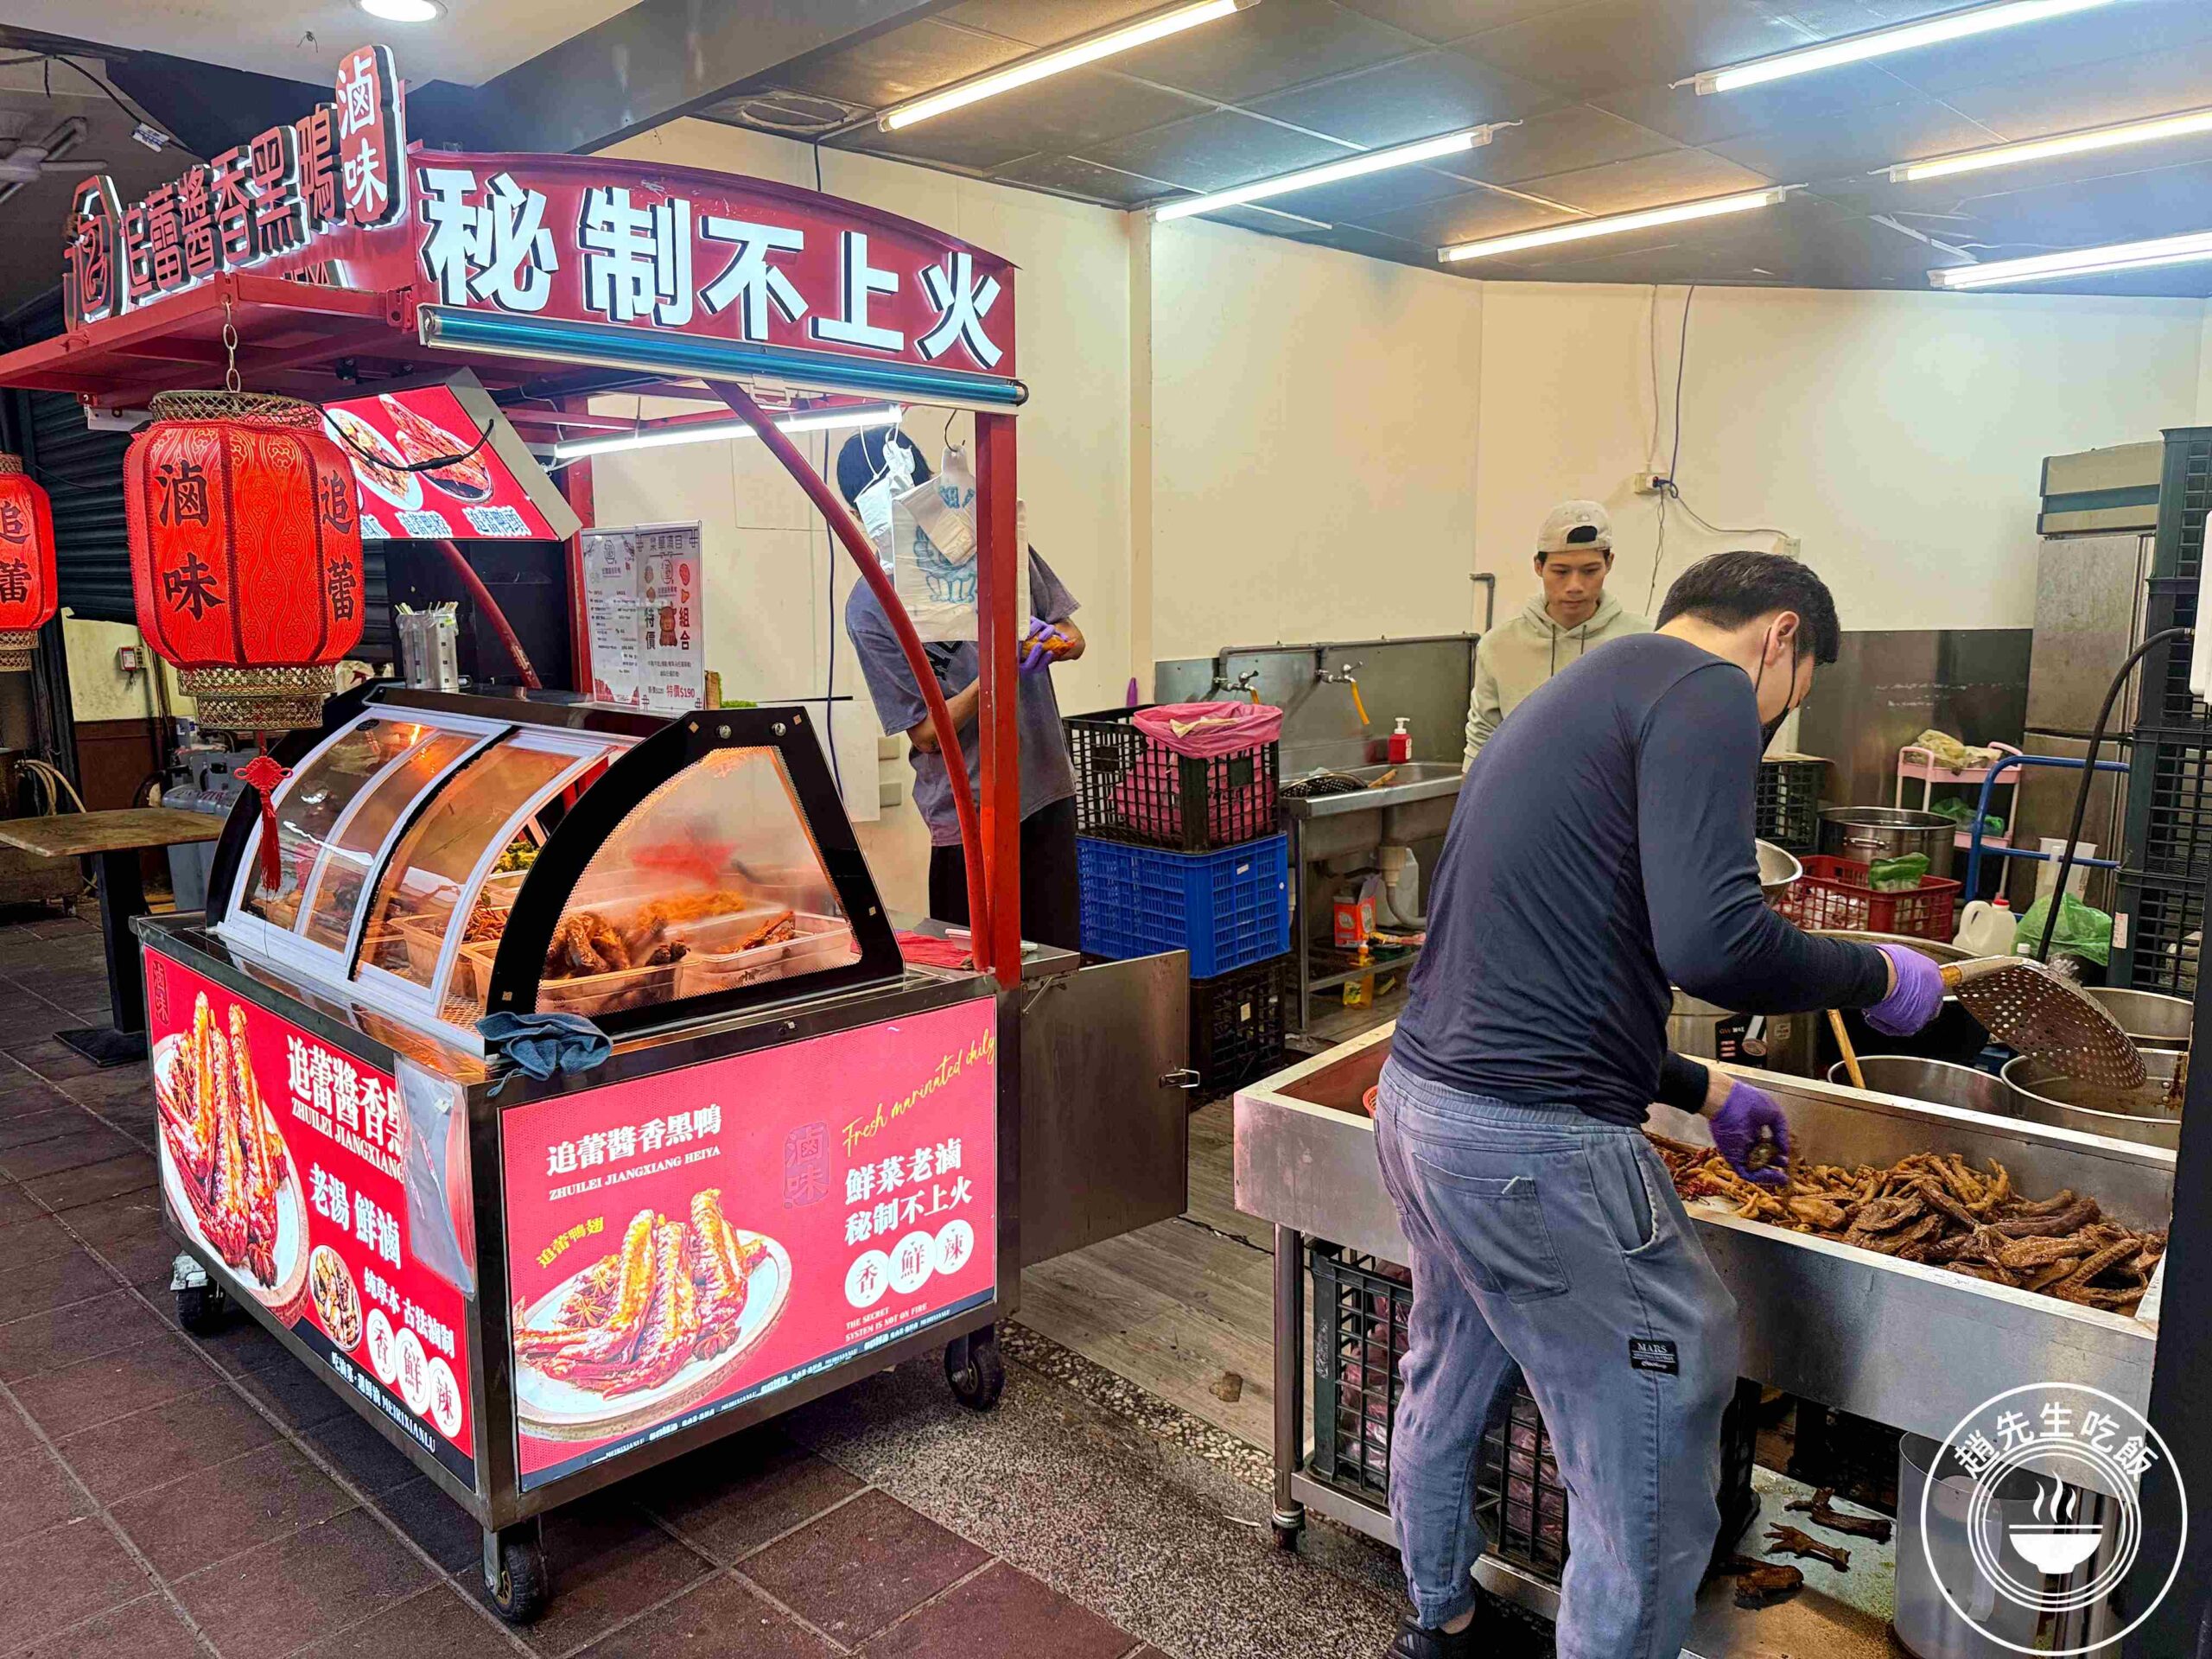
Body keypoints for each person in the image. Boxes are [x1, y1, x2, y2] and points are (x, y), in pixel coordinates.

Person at [1378, 550, 1943, 1659]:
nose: (1774, 720)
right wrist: (1875, 973)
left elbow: (1551, 962)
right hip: (1530, 1147)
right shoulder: (1710, 689)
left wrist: (1699, 1086)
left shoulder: (1578, 693)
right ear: (1781, 637)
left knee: (1450, 1369)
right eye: (1796, 694)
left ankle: (1438, 1619)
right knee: (1660, 1398)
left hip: (1424, 1107)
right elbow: (1715, 943)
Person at [836, 429, 1087, 950]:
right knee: (976, 972)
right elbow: (927, 734)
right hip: (966, 814)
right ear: (858, 518)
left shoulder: (995, 547)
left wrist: (1051, 641)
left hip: (1044, 786)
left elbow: (1073, 634)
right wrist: (995, 672)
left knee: (1054, 963)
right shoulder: (871, 608)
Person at [1463, 499, 1650, 767]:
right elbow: (1482, 736)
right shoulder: (1499, 645)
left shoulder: (1644, 641)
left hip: (1614, 789)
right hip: (1524, 785)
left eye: (1590, 571)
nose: (1575, 586)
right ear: (1538, 566)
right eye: (1561, 571)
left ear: (1609, 563)